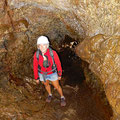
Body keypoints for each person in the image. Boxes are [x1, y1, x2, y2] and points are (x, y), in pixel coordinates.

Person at [33, 35, 66, 106]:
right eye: (40, 45)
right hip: (42, 74)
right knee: (46, 84)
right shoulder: (37, 54)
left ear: (47, 45)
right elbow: (35, 66)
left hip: (52, 73)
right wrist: (36, 77)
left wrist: (59, 74)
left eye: (44, 45)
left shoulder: (53, 53)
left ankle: (62, 96)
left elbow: (58, 64)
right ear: (38, 46)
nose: (42, 47)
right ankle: (50, 94)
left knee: (57, 86)